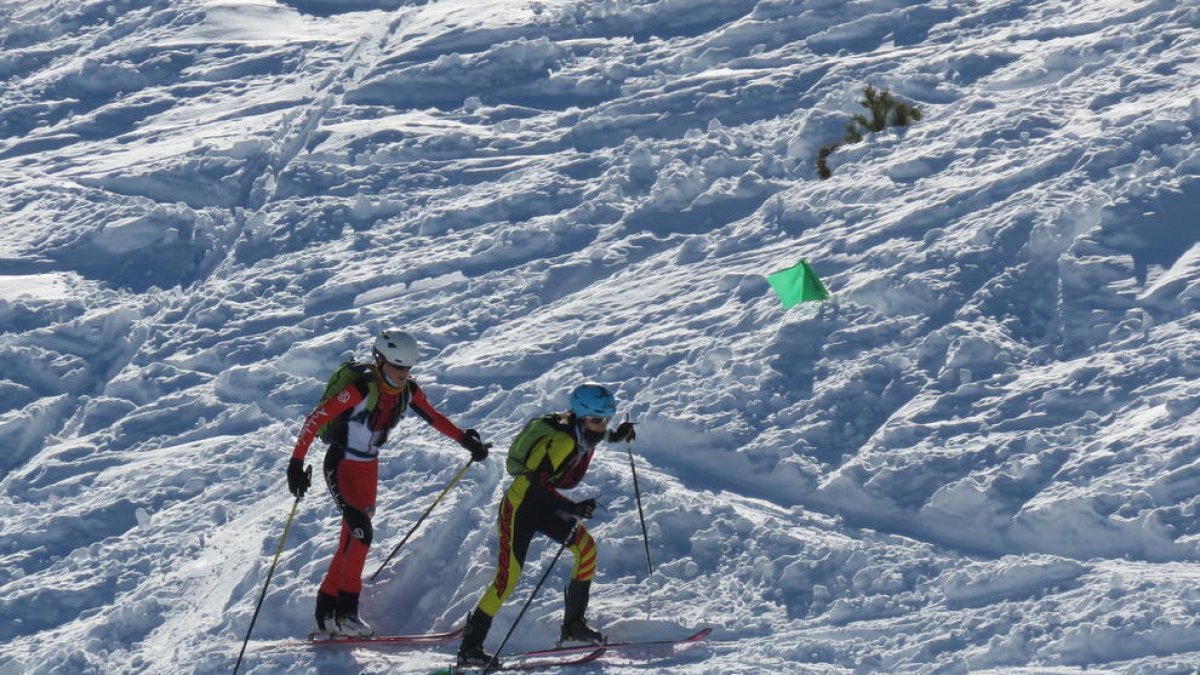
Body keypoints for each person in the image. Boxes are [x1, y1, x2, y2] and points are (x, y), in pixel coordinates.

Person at [286, 329, 490, 637]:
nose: (403, 373)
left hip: (368, 469)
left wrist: (466, 440)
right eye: (397, 366)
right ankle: (346, 614)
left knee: (351, 538)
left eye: (408, 367)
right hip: (341, 463)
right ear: (379, 360)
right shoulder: (359, 389)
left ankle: (325, 610)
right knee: (361, 533)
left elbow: (434, 417)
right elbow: (316, 418)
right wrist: (296, 463)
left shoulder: (408, 391)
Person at [456, 383, 636, 668]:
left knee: (586, 548)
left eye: (606, 420)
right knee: (507, 580)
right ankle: (470, 648)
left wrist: (617, 435)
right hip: (520, 507)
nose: (603, 426)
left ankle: (574, 627)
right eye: (598, 420)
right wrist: (572, 507)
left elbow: (596, 437)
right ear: (580, 417)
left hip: (544, 505)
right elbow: (535, 484)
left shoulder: (583, 430)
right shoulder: (564, 439)